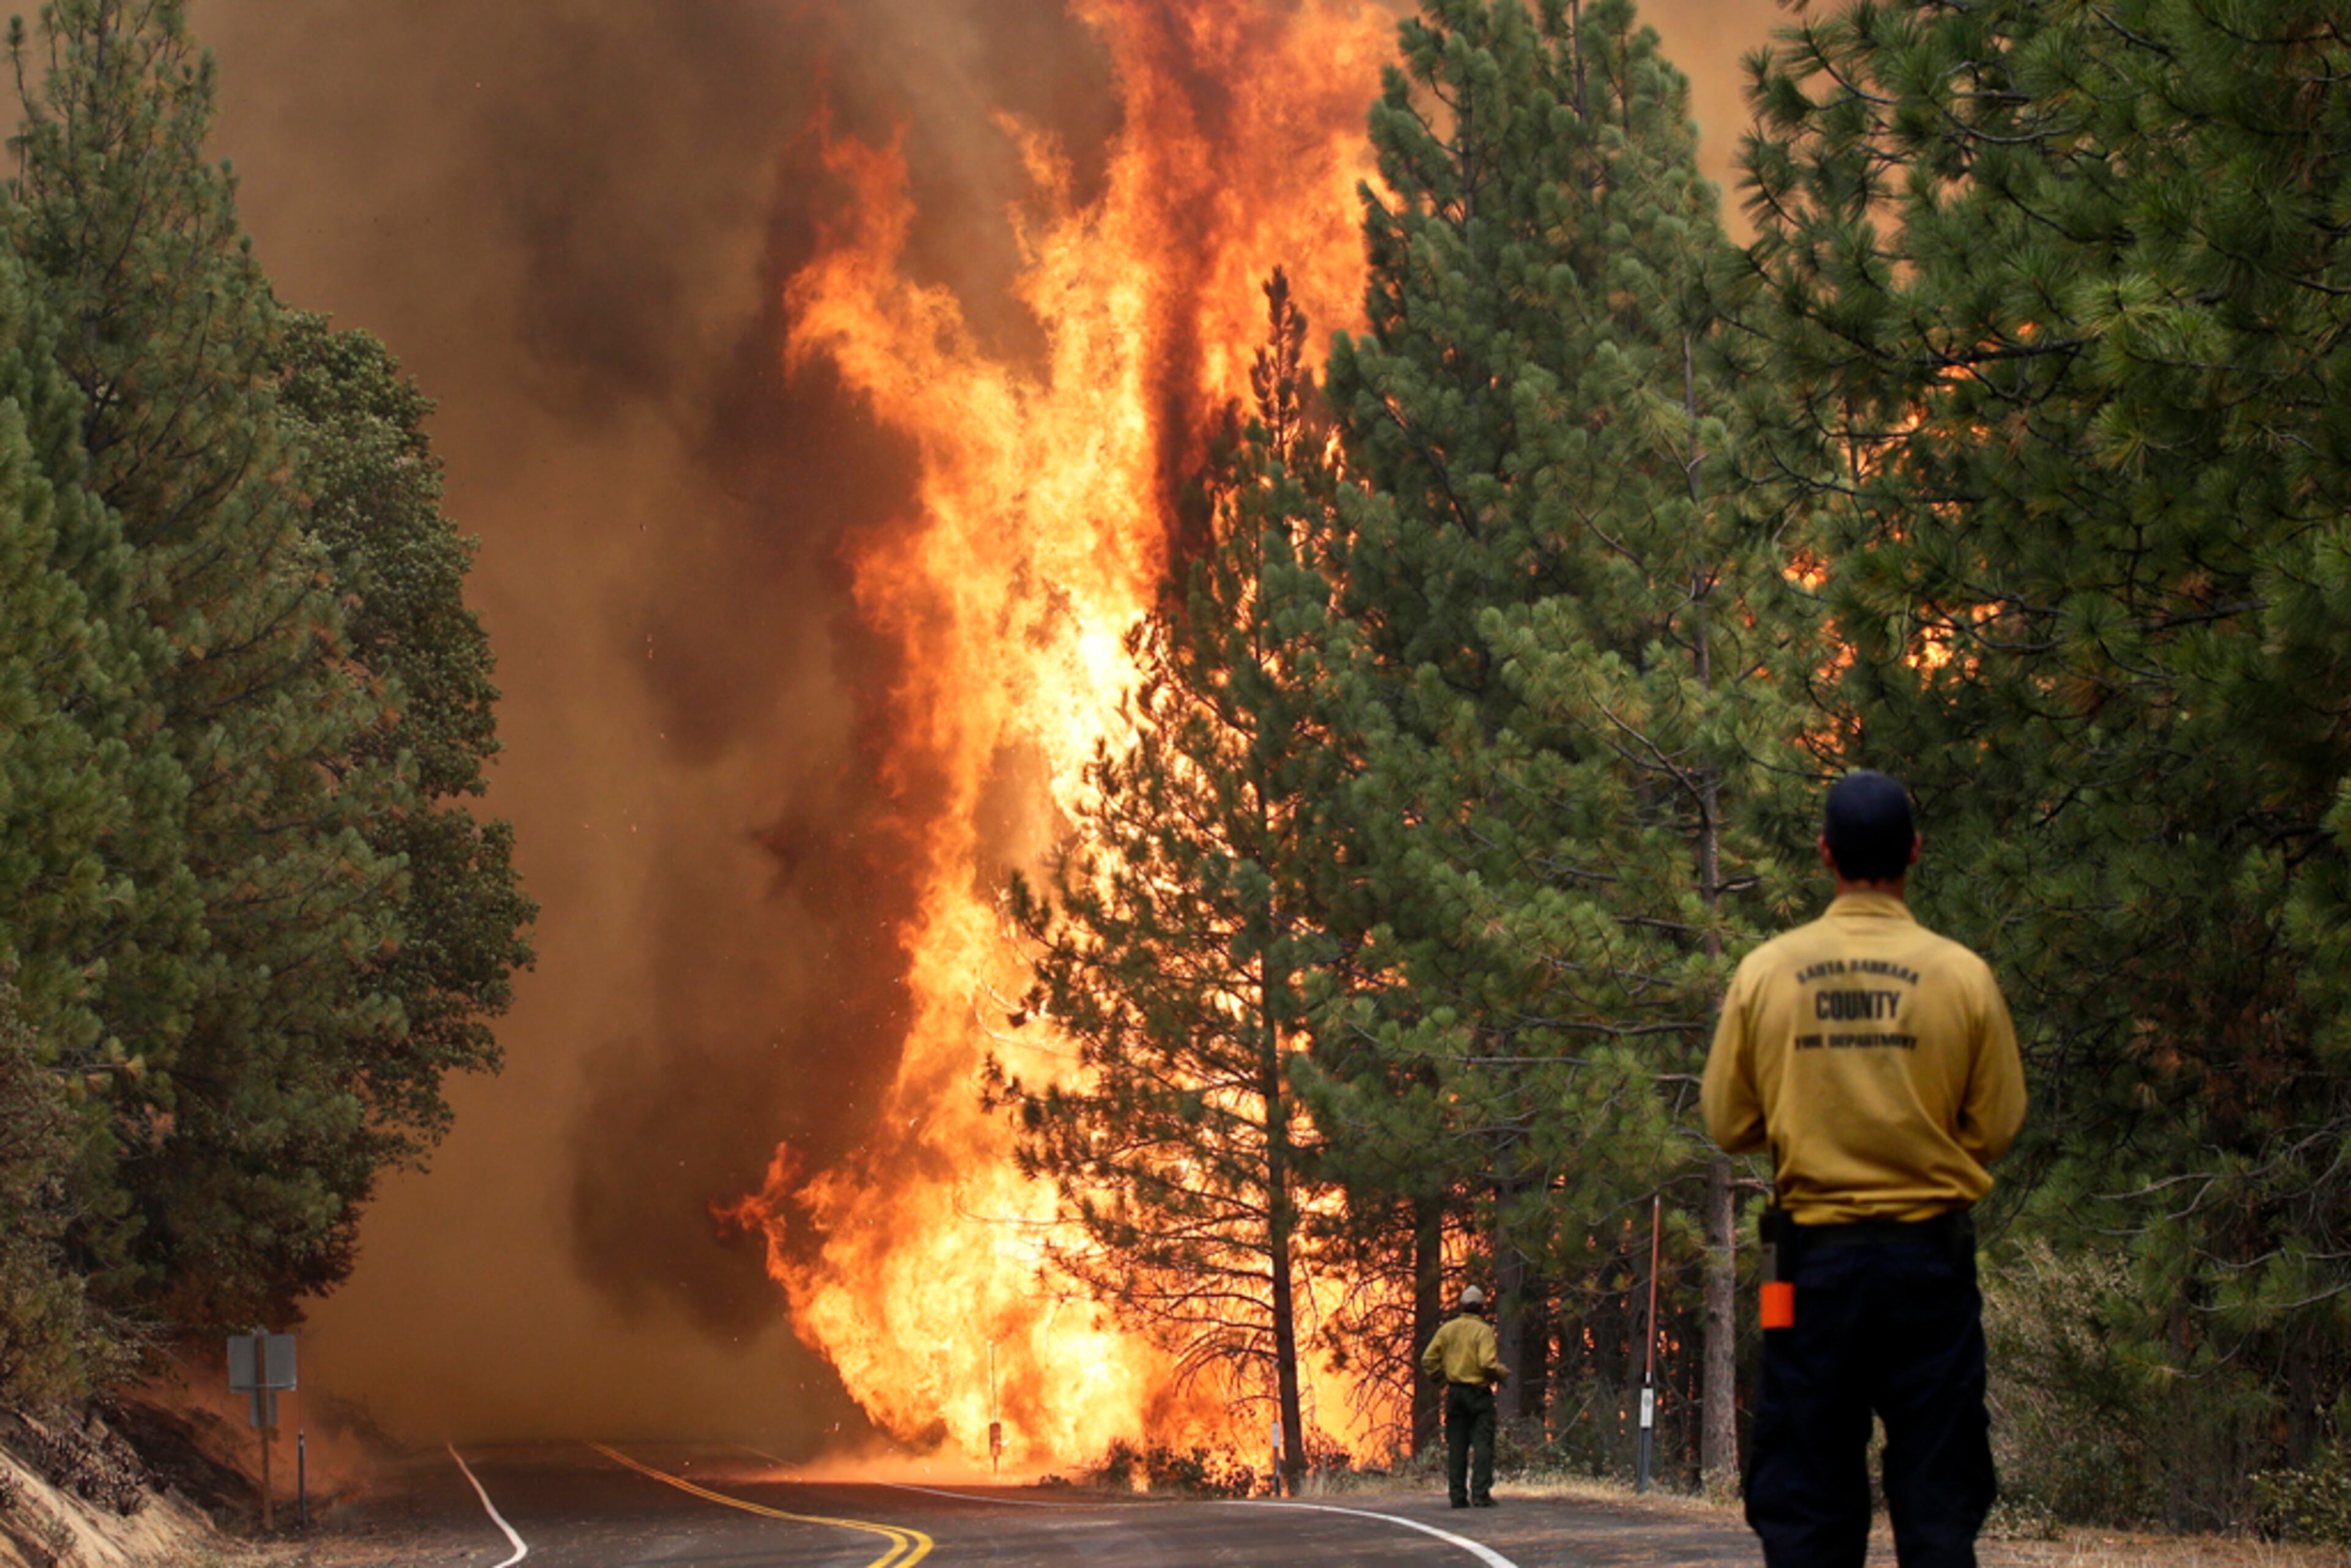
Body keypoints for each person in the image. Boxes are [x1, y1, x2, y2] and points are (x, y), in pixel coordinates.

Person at [1701, 770, 2026, 1568]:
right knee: (1939, 1501)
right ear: (1914, 852)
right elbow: (1997, 1125)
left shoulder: (1768, 973)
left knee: (1806, 1496)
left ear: (1824, 855)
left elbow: (1728, 1122)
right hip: (1931, 1262)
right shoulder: (1961, 977)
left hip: (1804, 1265)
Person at [1420, 1283, 1509, 1509]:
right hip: (1479, 1394)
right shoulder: (1484, 1331)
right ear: (1481, 1308)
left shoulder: (1447, 1330)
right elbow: (1487, 1363)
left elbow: (1428, 1360)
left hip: (1455, 1394)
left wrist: (1442, 1379)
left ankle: (1457, 1496)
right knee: (1482, 1445)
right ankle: (1480, 1495)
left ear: (1461, 1306)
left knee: (1457, 1446)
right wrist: (1502, 1374)